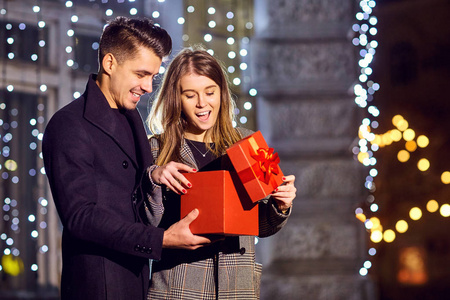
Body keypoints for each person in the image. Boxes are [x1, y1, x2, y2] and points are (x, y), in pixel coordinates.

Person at [43, 17, 211, 300]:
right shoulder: (68, 125)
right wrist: (162, 240)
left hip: (136, 278)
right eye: (141, 74)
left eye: (153, 77)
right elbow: (81, 217)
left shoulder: (131, 117)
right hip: (99, 285)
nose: (148, 87)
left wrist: (154, 176)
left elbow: (130, 195)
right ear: (110, 64)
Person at [146, 46, 297, 299]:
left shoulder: (249, 142)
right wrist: (154, 178)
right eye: (190, 95)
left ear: (221, 93)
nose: (202, 103)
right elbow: (145, 224)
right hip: (178, 288)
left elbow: (261, 225)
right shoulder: (156, 149)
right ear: (176, 98)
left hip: (237, 287)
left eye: (210, 92)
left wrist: (280, 206)